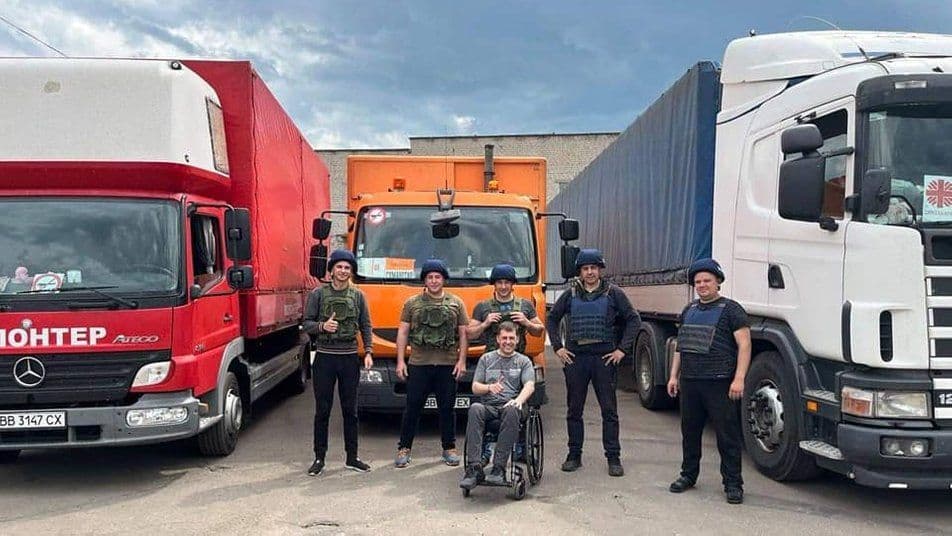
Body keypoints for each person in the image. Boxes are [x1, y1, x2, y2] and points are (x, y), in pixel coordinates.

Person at [546, 249, 640, 477]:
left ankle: (613, 457)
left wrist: (621, 351)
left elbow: (633, 320)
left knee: (609, 411)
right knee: (574, 410)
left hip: (604, 360)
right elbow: (551, 318)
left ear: (600, 270)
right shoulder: (569, 295)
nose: (590, 272)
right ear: (580, 272)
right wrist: (558, 347)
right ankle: (574, 454)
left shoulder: (613, 293)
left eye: (593, 268)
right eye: (585, 268)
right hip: (577, 359)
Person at [666, 258, 751, 504]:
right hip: (691, 382)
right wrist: (674, 376)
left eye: (707, 281)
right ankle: (688, 476)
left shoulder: (732, 310)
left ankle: (733, 484)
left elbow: (744, 345)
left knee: (727, 436)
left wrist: (739, 378)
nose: (702, 285)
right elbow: (681, 347)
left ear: (718, 282)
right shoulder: (689, 310)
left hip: (720, 383)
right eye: (698, 282)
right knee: (689, 433)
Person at [302, 249, 374, 476]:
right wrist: (323, 327)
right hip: (325, 357)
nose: (343, 271)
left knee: (350, 411)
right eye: (339, 267)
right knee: (322, 410)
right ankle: (319, 458)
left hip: (349, 357)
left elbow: (366, 326)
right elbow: (306, 324)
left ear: (351, 271)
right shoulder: (318, 294)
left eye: (347, 267)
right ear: (331, 270)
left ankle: (352, 458)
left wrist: (369, 351)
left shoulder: (358, 296)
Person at [394, 258, 469, 468]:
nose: (434, 281)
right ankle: (404, 448)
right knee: (412, 408)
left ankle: (449, 448)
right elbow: (403, 332)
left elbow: (463, 334)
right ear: (424, 280)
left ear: (443, 279)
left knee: (447, 409)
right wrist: (401, 361)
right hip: (419, 364)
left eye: (438, 277)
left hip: (447, 364)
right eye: (430, 277)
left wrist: (462, 361)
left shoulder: (456, 302)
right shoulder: (412, 303)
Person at [459, 322, 536, 490]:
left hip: (512, 406)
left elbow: (530, 385)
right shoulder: (486, 359)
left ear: (517, 340)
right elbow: (475, 387)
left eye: (511, 338)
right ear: (497, 339)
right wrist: (489, 387)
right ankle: (474, 468)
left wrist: (518, 400)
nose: (507, 342)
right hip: (490, 406)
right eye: (504, 338)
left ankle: (498, 468)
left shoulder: (523, 361)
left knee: (511, 409)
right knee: (475, 408)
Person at [467, 263, 545, 354]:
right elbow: (469, 335)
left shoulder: (526, 304)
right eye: (499, 283)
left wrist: (526, 322)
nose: (503, 287)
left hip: (517, 361)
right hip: (492, 362)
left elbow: (539, 332)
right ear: (494, 284)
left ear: (512, 284)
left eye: (507, 283)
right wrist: (485, 324)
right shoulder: (482, 306)